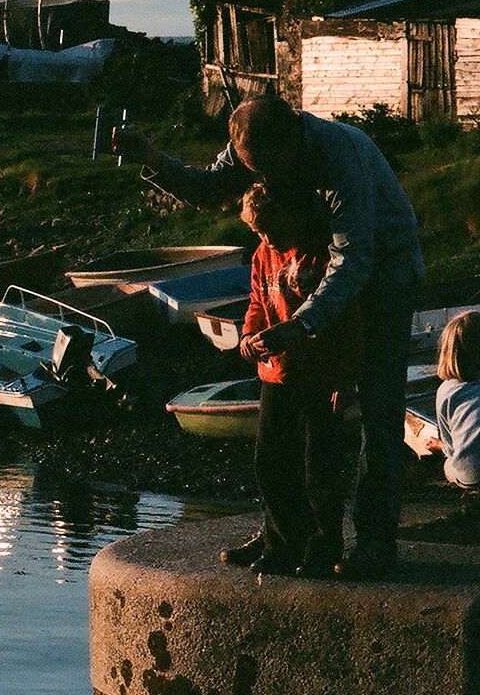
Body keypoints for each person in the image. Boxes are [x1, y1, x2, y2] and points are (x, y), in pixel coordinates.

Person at [116, 95, 423, 579]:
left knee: (379, 412)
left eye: (270, 168)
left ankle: (375, 542)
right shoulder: (252, 146)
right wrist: (152, 160)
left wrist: (300, 325)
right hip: (306, 274)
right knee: (281, 445)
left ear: (293, 138)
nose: (264, 178)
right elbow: (209, 189)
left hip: (384, 274)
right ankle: (284, 532)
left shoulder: (341, 155)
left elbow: (354, 256)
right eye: (252, 168)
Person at [220, 184, 359, 576]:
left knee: (320, 467)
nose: (267, 239)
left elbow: (345, 319)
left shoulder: (321, 255)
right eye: (258, 232)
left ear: (293, 214)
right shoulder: (264, 255)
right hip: (276, 375)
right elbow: (257, 303)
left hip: (320, 375)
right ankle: (281, 541)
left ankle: (322, 544)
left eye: (272, 229)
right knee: (271, 462)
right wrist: (248, 337)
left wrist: (344, 378)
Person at [433, 311, 480, 489]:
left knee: (449, 464)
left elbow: (450, 446)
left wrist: (439, 445)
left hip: (472, 475)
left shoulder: (446, 391)